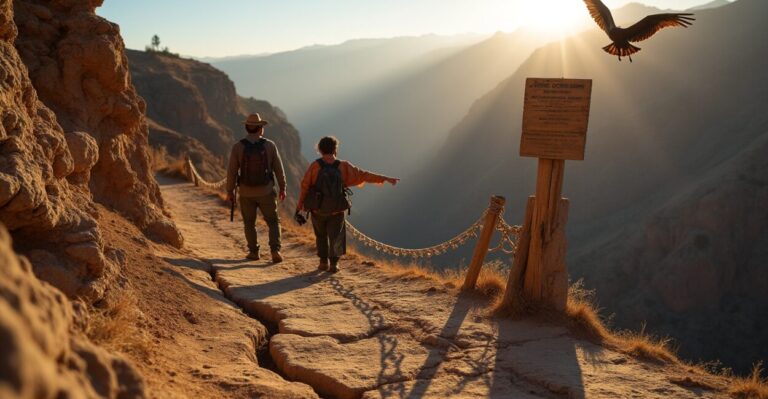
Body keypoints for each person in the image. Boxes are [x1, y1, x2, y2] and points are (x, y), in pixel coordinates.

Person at [296, 136, 399, 273]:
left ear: (320, 150)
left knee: (321, 235)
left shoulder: (315, 166)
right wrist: (385, 179)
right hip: (337, 210)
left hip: (318, 209)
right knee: (336, 235)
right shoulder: (343, 166)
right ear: (335, 149)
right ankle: (334, 264)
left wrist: (300, 206)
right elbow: (363, 175)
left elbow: (305, 186)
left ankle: (322, 262)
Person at [226, 113, 286, 263]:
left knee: (249, 222)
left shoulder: (238, 147)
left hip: (245, 192)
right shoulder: (269, 145)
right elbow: (279, 169)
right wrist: (283, 187)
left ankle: (253, 252)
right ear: (260, 129)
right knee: (273, 221)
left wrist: (229, 191)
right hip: (266, 191)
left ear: (247, 128)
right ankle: (275, 251)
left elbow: (232, 171)